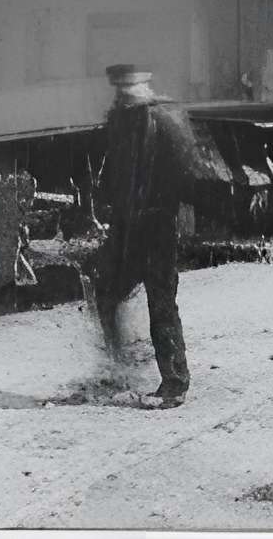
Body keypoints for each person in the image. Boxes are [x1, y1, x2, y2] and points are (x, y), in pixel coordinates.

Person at [91, 62, 225, 410]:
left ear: (141, 90)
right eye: (118, 91)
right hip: (126, 227)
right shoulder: (120, 120)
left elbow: (189, 172)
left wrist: (203, 208)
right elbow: (113, 173)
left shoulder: (162, 119)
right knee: (107, 293)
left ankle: (175, 383)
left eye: (126, 91)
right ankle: (117, 369)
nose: (121, 97)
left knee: (161, 303)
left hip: (156, 227)